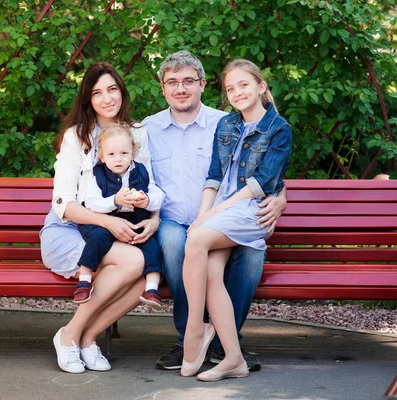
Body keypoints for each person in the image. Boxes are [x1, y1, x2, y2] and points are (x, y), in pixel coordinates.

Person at [141, 51, 288, 372]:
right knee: (175, 243)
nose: (181, 89)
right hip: (170, 222)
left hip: (224, 221)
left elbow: (263, 170)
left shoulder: (222, 123)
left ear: (203, 84)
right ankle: (187, 339)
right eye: (172, 82)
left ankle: (224, 343)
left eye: (188, 81)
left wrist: (282, 196)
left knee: (251, 257)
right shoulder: (147, 129)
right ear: (162, 87)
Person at [40, 62, 159, 374]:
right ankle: (69, 334)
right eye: (97, 93)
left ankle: (89, 338)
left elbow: (149, 184)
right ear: (88, 100)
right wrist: (108, 222)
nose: (107, 98)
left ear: (121, 92)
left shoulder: (137, 134)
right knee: (134, 262)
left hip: (118, 227)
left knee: (151, 267)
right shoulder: (75, 136)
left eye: (112, 89)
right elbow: (63, 202)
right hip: (70, 229)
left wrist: (155, 219)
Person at [181, 59, 291, 381]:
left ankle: (194, 329)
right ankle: (233, 359)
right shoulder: (227, 125)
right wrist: (205, 212)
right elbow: (214, 175)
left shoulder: (278, 128)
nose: (237, 92)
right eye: (230, 88)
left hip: (250, 210)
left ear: (260, 86)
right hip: (221, 210)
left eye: (243, 85)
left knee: (196, 239)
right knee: (212, 272)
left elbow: (263, 181)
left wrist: (214, 213)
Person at [75, 124, 165, 310]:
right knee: (96, 239)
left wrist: (146, 201)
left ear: (132, 153)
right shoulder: (98, 175)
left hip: (134, 222)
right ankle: (84, 280)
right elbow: (91, 203)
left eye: (124, 153)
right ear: (102, 156)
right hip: (106, 222)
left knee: (152, 247)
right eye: (111, 154)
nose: (118, 159)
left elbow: (158, 196)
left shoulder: (141, 172)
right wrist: (114, 200)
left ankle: (151, 289)